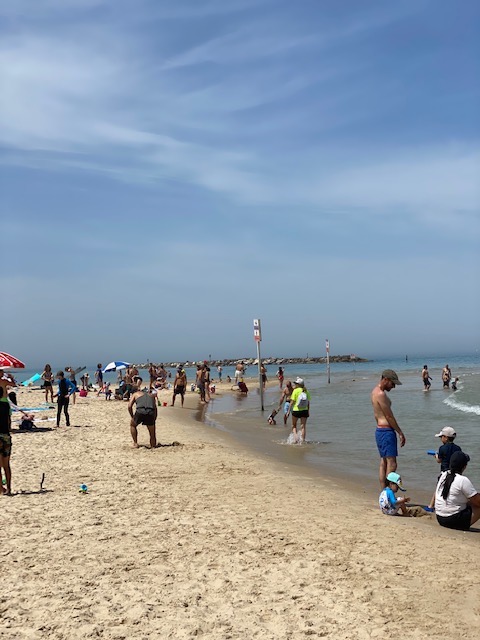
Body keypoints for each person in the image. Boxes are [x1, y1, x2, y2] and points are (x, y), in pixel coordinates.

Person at [371, 369, 406, 489]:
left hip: (379, 430)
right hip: (386, 431)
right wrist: (400, 432)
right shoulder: (381, 394)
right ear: (385, 380)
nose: (394, 387)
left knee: (383, 462)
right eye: (393, 383)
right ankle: (388, 492)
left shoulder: (374, 391)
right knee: (392, 463)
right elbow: (389, 416)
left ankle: (384, 493)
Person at [435, 451, 480, 531]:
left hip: (440, 518)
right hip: (453, 521)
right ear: (464, 466)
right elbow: (478, 502)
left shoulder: (443, 475)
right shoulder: (462, 480)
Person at [427, 426, 462, 511]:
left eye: (441, 437)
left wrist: (436, 456)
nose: (440, 439)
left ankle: (431, 506)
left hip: (445, 472)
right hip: (456, 472)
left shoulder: (442, 448)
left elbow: (439, 460)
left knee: (438, 488)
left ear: (445, 438)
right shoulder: (458, 448)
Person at [128, 382, 157, 448]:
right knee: (152, 432)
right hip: (150, 411)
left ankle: (135, 443)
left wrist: (132, 417)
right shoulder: (151, 395)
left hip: (140, 411)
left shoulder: (135, 394)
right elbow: (155, 408)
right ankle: (153, 445)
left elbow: (129, 406)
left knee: (133, 425)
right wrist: (154, 417)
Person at [286, 377, 311, 444]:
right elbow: (308, 402)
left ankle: (296, 439)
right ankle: (302, 441)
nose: (295, 385)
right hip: (304, 410)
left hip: (296, 410)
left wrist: (288, 411)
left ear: (298, 384)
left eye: (296, 384)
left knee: (294, 425)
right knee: (303, 426)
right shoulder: (306, 391)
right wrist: (308, 411)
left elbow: (292, 402)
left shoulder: (295, 391)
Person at [0, 387, 12, 496]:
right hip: (6, 435)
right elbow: (9, 421)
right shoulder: (6, 405)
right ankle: (8, 488)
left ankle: (1, 488)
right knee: (6, 464)